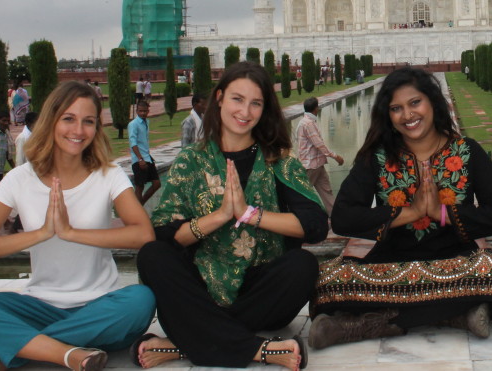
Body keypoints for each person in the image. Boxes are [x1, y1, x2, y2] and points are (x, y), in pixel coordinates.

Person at [0, 81, 156, 371]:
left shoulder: (108, 174)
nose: (78, 130)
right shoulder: (21, 178)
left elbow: (144, 234)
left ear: (97, 128)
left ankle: (18, 347)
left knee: (140, 300)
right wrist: (40, 234)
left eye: (89, 122)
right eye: (68, 119)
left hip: (99, 307)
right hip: (37, 307)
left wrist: (71, 233)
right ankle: (67, 353)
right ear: (51, 121)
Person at [309, 67, 492, 349]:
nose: (407, 115)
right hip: (391, 263)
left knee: (491, 270)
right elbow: (343, 218)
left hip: (454, 262)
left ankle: (367, 325)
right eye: (396, 108)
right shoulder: (379, 157)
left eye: (415, 103)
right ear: (388, 115)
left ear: (433, 102)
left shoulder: (465, 151)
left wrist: (441, 213)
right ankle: (452, 314)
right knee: (327, 280)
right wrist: (409, 213)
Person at [134, 61, 322, 370]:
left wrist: (250, 214)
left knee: (303, 265)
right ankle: (256, 349)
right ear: (219, 98)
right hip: (201, 288)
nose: (245, 112)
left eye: (255, 103)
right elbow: (166, 234)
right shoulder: (191, 161)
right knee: (153, 255)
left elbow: (315, 225)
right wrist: (220, 216)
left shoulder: (278, 160)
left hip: (260, 293)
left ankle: (185, 344)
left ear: (264, 109)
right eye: (237, 99)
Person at [296, 97, 344, 214]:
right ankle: (301, 218)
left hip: (318, 164)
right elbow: (319, 144)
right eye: (318, 107)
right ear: (315, 108)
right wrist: (335, 156)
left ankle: (335, 217)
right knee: (304, 194)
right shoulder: (308, 124)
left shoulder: (307, 121)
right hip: (311, 166)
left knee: (326, 191)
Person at [129, 101, 161, 206]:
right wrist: (140, 159)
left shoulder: (147, 122)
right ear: (136, 111)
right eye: (140, 111)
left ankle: (139, 204)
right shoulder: (133, 124)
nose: (143, 113)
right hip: (139, 160)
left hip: (147, 157)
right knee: (140, 186)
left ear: (148, 111)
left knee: (157, 183)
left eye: (145, 111)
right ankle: (136, 210)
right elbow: (133, 143)